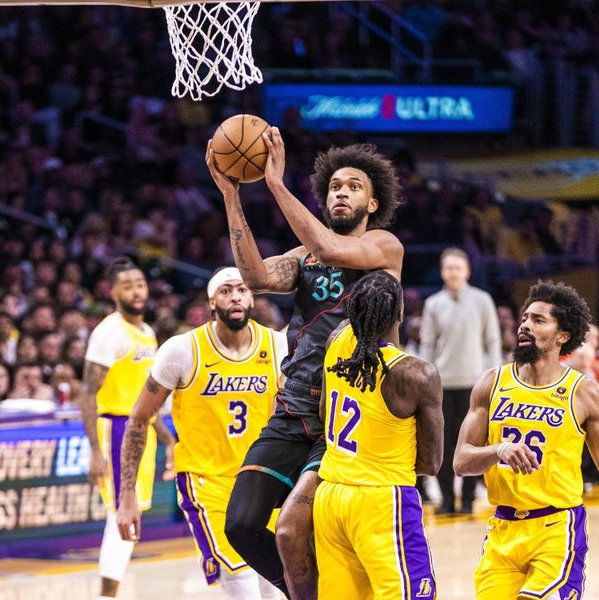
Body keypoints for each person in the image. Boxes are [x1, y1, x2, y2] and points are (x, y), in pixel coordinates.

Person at [208, 133, 403, 598]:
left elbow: (335, 250)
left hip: (347, 412)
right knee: (241, 524)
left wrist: (274, 183)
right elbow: (254, 277)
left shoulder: (384, 246)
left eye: (353, 186)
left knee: (294, 530)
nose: (341, 192)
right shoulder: (304, 255)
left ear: (372, 202)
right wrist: (232, 197)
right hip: (294, 405)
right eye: (334, 186)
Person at [453, 281, 599, 600]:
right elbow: (461, 461)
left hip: (556, 529)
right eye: (525, 317)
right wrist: (499, 450)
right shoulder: (491, 383)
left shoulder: (584, 393)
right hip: (502, 529)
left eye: (539, 320)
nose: (525, 325)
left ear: (563, 335)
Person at [116, 268, 285, 599]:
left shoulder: (277, 345)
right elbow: (138, 419)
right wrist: (127, 496)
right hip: (208, 483)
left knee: (280, 586)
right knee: (243, 586)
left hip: (264, 480)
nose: (235, 296)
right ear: (211, 302)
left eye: (241, 290)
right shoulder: (182, 350)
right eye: (225, 291)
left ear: (252, 297)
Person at [314, 271, 443, 599]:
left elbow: (323, 413)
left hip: (330, 495)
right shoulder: (414, 374)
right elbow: (431, 462)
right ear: (400, 314)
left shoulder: (336, 341)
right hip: (381, 500)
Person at [78, 256, 175, 599]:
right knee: (120, 516)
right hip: (115, 428)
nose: (136, 290)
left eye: (140, 283)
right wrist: (94, 451)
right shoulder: (108, 332)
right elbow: (88, 393)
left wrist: (166, 439)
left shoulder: (147, 332)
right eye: (128, 285)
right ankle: (108, 595)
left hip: (140, 428)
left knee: (129, 517)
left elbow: (144, 397)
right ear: (112, 292)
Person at [420, 247, 501, 515]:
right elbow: (427, 345)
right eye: (448, 268)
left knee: (473, 444)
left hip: (474, 384)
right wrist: (425, 381)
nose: (453, 272)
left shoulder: (482, 300)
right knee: (442, 445)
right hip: (442, 385)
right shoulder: (433, 304)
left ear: (467, 271)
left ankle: (467, 500)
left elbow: (492, 341)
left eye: (458, 268)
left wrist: (495, 377)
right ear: (442, 272)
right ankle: (446, 500)